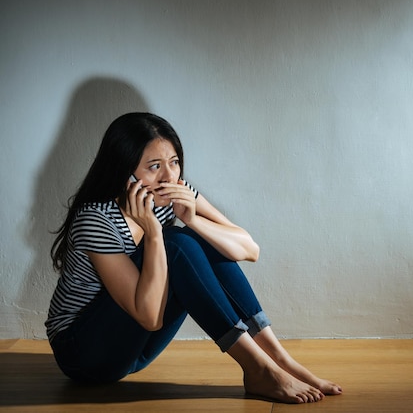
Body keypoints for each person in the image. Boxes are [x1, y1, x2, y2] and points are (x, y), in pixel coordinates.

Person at [45, 112, 342, 404]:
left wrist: (196, 221)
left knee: (198, 238)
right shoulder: (97, 220)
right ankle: (258, 368)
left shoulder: (170, 194)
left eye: (173, 162)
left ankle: (278, 359)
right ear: (125, 172)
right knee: (176, 243)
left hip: (135, 351)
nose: (169, 176)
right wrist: (154, 232)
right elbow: (149, 317)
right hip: (83, 354)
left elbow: (250, 250)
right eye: (154, 166)